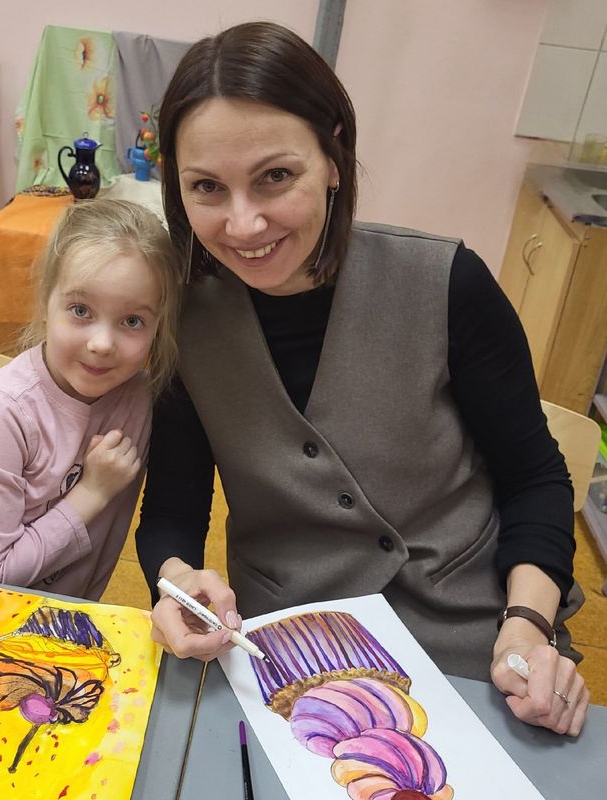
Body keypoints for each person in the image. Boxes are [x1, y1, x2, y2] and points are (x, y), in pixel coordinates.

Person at [134, 21, 590, 736]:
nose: (243, 224)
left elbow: (535, 479)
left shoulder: (447, 284)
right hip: (291, 650)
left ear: (334, 157)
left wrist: (527, 625)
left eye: (275, 177)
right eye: (207, 188)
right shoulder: (180, 316)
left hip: (474, 639)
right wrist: (176, 585)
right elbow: (172, 509)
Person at [0, 198, 181, 601]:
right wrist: (92, 493)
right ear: (45, 304)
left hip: (30, 612)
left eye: (132, 321)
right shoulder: (1, 411)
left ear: (158, 325)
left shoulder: (142, 398)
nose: (101, 343)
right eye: (80, 310)